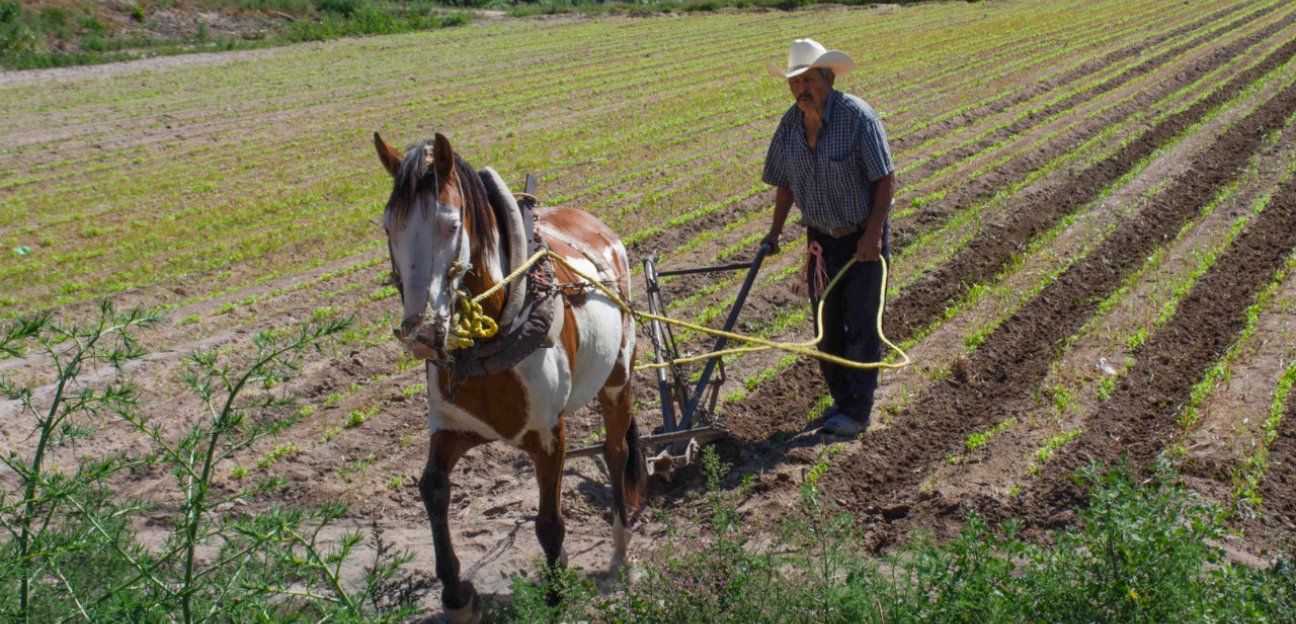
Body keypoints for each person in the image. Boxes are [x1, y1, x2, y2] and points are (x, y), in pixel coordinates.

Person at [760, 38, 895, 437]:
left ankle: (857, 412)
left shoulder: (857, 118)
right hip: (821, 243)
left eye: (808, 80)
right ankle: (841, 401)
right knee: (827, 328)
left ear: (828, 78)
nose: (801, 89)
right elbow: (784, 183)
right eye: (794, 81)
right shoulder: (789, 127)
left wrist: (873, 236)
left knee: (862, 325)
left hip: (862, 241)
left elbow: (885, 179)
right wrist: (774, 233)